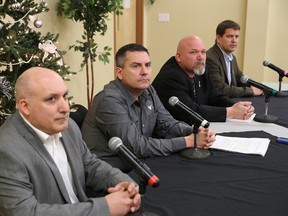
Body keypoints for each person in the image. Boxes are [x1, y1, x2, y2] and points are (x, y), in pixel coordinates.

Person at [0, 67, 141, 216]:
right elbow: (25, 212)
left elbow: (90, 165)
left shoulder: (68, 127)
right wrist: (105, 208)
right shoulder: (6, 149)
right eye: (51, 99)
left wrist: (122, 183)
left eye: (65, 96)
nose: (65, 108)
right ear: (25, 106)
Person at [81, 43, 216, 172]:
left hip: (141, 163)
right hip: (112, 172)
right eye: (136, 66)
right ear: (119, 72)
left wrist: (194, 132)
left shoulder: (148, 90)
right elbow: (136, 147)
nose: (145, 72)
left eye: (148, 65)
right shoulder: (109, 101)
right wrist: (187, 141)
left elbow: (167, 124)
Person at [152, 35, 255, 125]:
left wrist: (238, 107)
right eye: (193, 52)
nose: (200, 57)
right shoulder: (171, 76)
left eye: (203, 52)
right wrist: (231, 112)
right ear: (179, 57)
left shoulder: (199, 69)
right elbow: (190, 111)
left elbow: (215, 95)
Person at [206, 20, 263, 98]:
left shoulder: (232, 57)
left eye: (236, 37)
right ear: (218, 38)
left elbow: (239, 78)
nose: (234, 41)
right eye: (229, 36)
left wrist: (257, 86)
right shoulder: (210, 58)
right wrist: (251, 91)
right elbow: (221, 89)